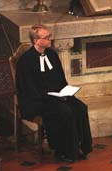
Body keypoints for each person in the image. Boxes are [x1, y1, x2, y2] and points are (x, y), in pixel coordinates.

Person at [16, 25, 93, 162]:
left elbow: (61, 79)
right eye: (46, 37)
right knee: (65, 112)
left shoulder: (52, 54)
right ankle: (64, 151)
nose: (50, 39)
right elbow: (28, 88)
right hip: (37, 100)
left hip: (58, 96)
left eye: (49, 36)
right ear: (36, 40)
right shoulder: (26, 61)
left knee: (81, 108)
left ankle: (82, 146)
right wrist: (49, 97)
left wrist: (65, 92)